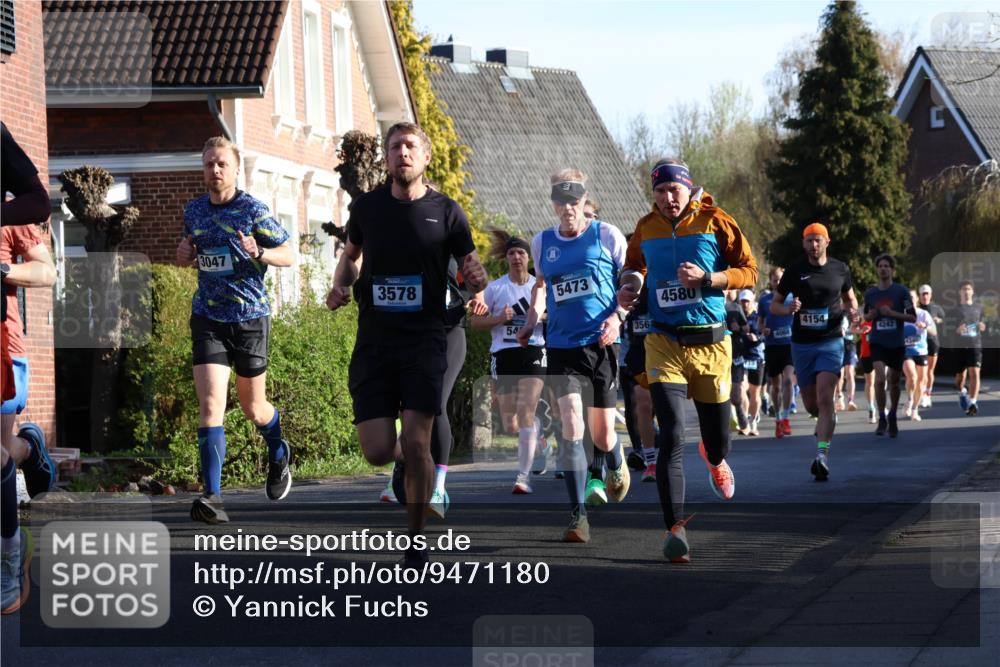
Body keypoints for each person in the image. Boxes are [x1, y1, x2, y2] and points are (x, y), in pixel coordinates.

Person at [327, 122, 487, 566]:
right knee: (378, 450)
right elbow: (350, 258)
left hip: (425, 341)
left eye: (410, 146)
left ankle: (414, 541)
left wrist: (478, 289)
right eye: (395, 146)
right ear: (386, 159)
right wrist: (340, 287)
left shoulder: (448, 212)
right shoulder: (368, 207)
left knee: (418, 443)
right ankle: (409, 463)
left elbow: (472, 266)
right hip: (376, 341)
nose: (402, 153)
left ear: (425, 158)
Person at [618, 159, 757, 562]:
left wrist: (709, 280)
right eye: (659, 192)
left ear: (688, 188)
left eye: (673, 190)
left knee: (718, 441)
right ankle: (675, 529)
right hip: (664, 342)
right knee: (672, 434)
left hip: (712, 345)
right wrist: (628, 288)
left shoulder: (716, 221)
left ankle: (714, 460)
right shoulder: (646, 227)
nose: (667, 199)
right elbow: (633, 268)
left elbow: (749, 272)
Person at [175, 136, 295, 524]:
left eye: (222, 163)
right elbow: (191, 250)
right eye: (209, 163)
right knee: (211, 406)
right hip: (208, 318)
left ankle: (278, 452)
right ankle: (213, 498)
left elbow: (289, 254)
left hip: (248, 318)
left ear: (235, 168)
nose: (215, 170)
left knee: (253, 408)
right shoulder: (193, 211)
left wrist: (260, 252)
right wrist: (185, 254)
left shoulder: (253, 210)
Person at [517, 168, 631, 544]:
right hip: (561, 346)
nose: (567, 207)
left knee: (600, 434)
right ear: (552, 201)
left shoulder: (607, 235)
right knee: (570, 426)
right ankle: (577, 515)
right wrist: (531, 320)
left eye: (573, 199)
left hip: (600, 344)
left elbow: (630, 283)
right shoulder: (542, 242)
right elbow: (541, 287)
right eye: (560, 200)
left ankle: (616, 459)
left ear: (584, 201)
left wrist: (617, 319)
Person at [1, 121, 57, 615]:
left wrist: (4, 271)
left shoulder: (11, 214)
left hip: (4, 341)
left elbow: (47, 269)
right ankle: (29, 448)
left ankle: (8, 562)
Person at [770, 223, 858, 481]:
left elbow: (850, 298)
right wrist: (788, 309)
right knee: (811, 404)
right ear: (803, 244)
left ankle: (822, 455)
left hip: (831, 341)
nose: (813, 245)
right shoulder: (795, 270)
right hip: (802, 344)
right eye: (808, 241)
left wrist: (853, 313)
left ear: (827, 242)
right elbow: (775, 304)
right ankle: (825, 423)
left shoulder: (840, 269)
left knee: (825, 397)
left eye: (817, 240)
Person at [471, 229, 546, 494]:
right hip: (503, 354)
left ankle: (522, 477)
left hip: (533, 351)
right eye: (512, 253)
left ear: (529, 257)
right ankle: (540, 435)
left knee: (526, 410)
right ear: (506, 258)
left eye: (521, 253)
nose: (516, 257)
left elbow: (556, 316)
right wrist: (498, 318)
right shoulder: (496, 288)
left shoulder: (538, 286)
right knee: (511, 423)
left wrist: (538, 318)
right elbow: (475, 321)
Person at [862, 254, 916, 437]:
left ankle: (893, 414)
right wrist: (872, 315)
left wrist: (892, 314)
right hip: (877, 341)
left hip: (896, 342)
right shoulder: (870, 293)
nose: (883, 269)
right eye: (880, 266)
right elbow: (866, 316)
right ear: (877, 270)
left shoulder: (901, 292)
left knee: (894, 380)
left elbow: (912, 317)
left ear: (892, 270)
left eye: (886, 266)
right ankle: (882, 416)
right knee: (879, 378)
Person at [757, 267, 795, 438]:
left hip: (789, 345)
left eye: (781, 279)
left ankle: (786, 418)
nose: (778, 282)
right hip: (772, 346)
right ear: (771, 281)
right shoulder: (764, 300)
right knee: (776, 386)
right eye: (775, 280)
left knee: (788, 381)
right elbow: (760, 323)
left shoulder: (792, 298)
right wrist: (763, 329)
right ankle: (778, 418)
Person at [952, 280, 985, 416]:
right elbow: (947, 329)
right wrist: (957, 330)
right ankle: (962, 392)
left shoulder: (979, 308)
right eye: (964, 289)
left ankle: (973, 402)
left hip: (975, 345)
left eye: (968, 289)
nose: (966, 291)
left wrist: (983, 326)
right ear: (960, 292)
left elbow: (982, 323)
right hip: (960, 346)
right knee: (960, 378)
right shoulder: (955, 310)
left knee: (975, 373)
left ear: (972, 291)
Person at [903, 289, 935, 421]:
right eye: (908, 298)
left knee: (921, 381)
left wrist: (925, 326)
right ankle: (910, 400)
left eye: (912, 297)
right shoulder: (901, 314)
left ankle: (915, 409)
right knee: (913, 376)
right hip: (906, 351)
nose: (910, 300)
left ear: (917, 299)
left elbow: (934, 331)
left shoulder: (923, 313)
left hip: (921, 351)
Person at [738, 289, 765, 436]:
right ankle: (745, 421)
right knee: (741, 389)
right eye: (742, 301)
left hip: (756, 358)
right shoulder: (736, 317)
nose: (745, 304)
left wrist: (757, 337)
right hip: (741, 357)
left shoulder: (757, 317)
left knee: (755, 393)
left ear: (752, 301)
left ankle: (753, 420)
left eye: (747, 301)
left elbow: (764, 332)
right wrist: (737, 330)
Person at [725, 289, 750, 435]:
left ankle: (741, 415)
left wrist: (738, 328)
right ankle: (724, 424)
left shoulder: (735, 307)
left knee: (736, 393)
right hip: (717, 356)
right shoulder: (708, 305)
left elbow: (746, 327)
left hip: (735, 355)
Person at [916, 284, 945, 408]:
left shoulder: (936, 307)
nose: (925, 296)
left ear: (931, 295)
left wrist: (938, 320)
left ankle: (928, 394)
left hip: (932, 341)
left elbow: (943, 319)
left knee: (929, 371)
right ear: (919, 296)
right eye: (923, 294)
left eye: (927, 293)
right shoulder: (916, 309)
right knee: (920, 372)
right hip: (919, 342)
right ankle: (921, 394)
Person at [837, 315, 859, 412]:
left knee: (850, 373)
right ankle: (839, 397)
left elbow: (858, 327)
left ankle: (851, 400)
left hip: (850, 345)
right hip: (838, 344)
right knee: (839, 375)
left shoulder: (852, 314)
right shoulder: (836, 312)